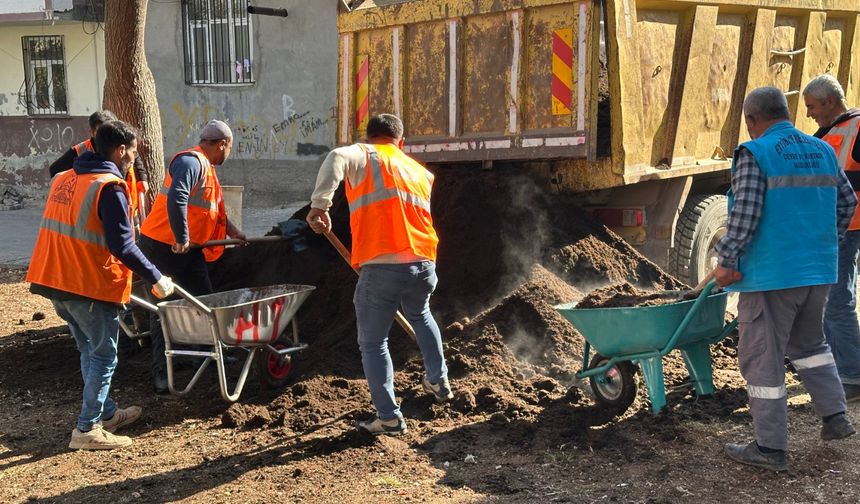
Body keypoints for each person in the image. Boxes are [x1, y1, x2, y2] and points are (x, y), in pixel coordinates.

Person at [714, 87, 857, 472]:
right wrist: (823, 242)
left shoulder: (755, 152)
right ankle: (835, 418)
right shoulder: (823, 149)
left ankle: (769, 447)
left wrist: (726, 258)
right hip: (818, 271)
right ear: (786, 113)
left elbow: (745, 212)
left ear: (751, 120)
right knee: (810, 344)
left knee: (763, 357)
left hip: (772, 276)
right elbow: (847, 203)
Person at [27, 120, 175, 450]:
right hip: (87, 285)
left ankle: (105, 413)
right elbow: (123, 246)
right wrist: (156, 276)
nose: (134, 160)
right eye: (134, 152)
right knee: (105, 356)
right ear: (121, 150)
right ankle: (87, 428)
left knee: (88, 349)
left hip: (55, 281)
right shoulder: (109, 187)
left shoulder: (64, 178)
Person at [306, 113, 452, 436]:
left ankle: (388, 417)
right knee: (421, 313)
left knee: (373, 342)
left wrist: (320, 205)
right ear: (401, 143)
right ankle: (438, 380)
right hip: (424, 262)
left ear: (369, 137)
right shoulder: (417, 171)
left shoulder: (366, 154)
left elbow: (335, 158)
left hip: (383, 265)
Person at [138, 119, 245, 394]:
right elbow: (178, 197)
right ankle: (162, 374)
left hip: (189, 249)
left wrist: (233, 232)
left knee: (204, 300)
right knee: (163, 307)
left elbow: (214, 210)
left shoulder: (207, 169)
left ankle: (212, 353)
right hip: (163, 245)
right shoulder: (191, 162)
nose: (227, 154)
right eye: (229, 148)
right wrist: (182, 236)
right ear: (222, 144)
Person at [803, 74, 860, 401]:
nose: (809, 113)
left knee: (836, 301)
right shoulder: (828, 132)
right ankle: (842, 367)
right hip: (838, 226)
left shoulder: (855, 126)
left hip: (848, 226)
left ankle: (852, 374)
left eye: (811, 106)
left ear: (828, 102)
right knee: (831, 300)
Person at [49, 110, 149, 223]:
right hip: (100, 210)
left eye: (111, 129)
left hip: (129, 205)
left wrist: (142, 178)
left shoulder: (124, 145)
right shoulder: (81, 150)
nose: (108, 135)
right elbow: (55, 170)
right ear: (92, 132)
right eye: (102, 131)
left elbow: (135, 156)